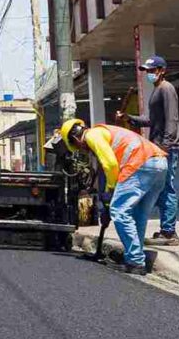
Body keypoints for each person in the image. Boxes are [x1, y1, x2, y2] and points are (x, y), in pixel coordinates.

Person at [61, 118, 168, 276]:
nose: (84, 150)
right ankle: (133, 257)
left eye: (78, 147)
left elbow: (110, 165)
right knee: (138, 215)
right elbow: (109, 168)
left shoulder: (91, 136)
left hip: (140, 164)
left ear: (76, 139)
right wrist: (107, 199)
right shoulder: (104, 132)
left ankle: (135, 260)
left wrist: (111, 194)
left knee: (119, 211)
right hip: (159, 163)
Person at [116, 55, 179, 246]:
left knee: (167, 187)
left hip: (166, 147)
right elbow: (152, 121)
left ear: (162, 71)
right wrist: (130, 118)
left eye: (153, 71)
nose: (150, 74)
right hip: (157, 146)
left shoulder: (166, 89)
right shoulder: (156, 91)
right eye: (148, 71)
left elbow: (172, 118)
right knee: (160, 188)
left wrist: (166, 146)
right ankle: (165, 229)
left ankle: (169, 232)